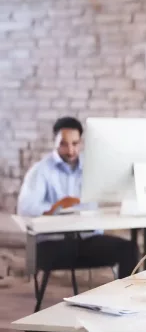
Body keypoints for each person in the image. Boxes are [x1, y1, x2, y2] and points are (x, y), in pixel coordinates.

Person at [17, 116, 138, 280]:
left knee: (128, 250)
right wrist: (57, 207)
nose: (71, 150)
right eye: (64, 144)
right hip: (53, 244)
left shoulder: (91, 167)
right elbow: (26, 207)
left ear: (80, 142)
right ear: (55, 142)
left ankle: (126, 301)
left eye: (75, 144)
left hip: (87, 240)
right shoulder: (41, 170)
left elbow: (111, 189)